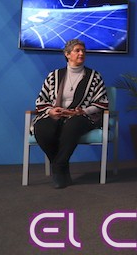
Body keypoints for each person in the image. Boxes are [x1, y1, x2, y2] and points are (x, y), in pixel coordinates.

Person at [32, 39, 109, 189]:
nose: (81, 53)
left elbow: (102, 102)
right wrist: (50, 111)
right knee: (41, 127)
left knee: (73, 124)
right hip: (57, 115)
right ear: (67, 54)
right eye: (77, 50)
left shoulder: (94, 76)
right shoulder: (54, 76)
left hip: (81, 117)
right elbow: (41, 100)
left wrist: (83, 111)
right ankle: (61, 167)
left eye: (83, 51)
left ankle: (58, 168)